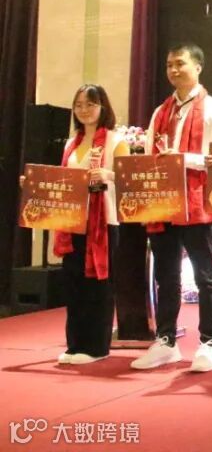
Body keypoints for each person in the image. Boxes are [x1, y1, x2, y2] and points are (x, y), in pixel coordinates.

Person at [130, 44, 212, 373]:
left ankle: (209, 343)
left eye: (180, 64)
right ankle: (166, 341)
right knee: (166, 275)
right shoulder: (160, 112)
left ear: (198, 67)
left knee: (205, 276)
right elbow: (150, 158)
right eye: (169, 65)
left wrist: (180, 160)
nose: (173, 70)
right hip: (163, 203)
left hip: (197, 203)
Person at [33, 85, 129, 364]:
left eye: (90, 104)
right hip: (73, 220)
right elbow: (64, 182)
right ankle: (75, 345)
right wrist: (35, 185)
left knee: (98, 285)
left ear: (102, 107)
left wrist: (106, 174)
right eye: (79, 105)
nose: (84, 110)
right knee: (74, 283)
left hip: (103, 222)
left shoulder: (115, 140)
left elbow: (128, 178)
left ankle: (96, 347)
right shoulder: (70, 143)